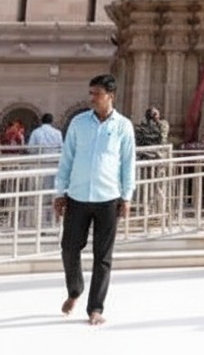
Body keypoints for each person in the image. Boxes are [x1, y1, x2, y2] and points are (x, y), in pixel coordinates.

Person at [53, 74, 136, 326]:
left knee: (103, 256)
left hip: (108, 198)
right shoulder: (78, 123)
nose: (91, 98)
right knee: (69, 247)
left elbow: (128, 164)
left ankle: (95, 308)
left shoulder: (123, 126)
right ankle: (75, 290)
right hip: (77, 196)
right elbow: (66, 159)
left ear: (110, 95)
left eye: (96, 94)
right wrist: (60, 192)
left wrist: (127, 196)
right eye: (90, 93)